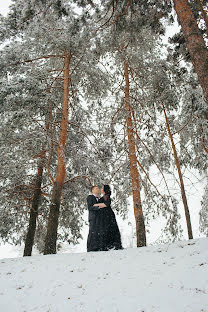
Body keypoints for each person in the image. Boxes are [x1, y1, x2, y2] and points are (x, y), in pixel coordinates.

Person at [87, 184, 123, 252]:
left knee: (108, 229)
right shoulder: (92, 197)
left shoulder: (106, 196)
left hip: (108, 215)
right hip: (100, 217)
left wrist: (96, 205)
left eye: (101, 188)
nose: (100, 189)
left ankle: (109, 245)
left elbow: (107, 204)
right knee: (97, 232)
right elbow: (91, 207)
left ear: (104, 190)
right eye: (97, 188)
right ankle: (94, 247)